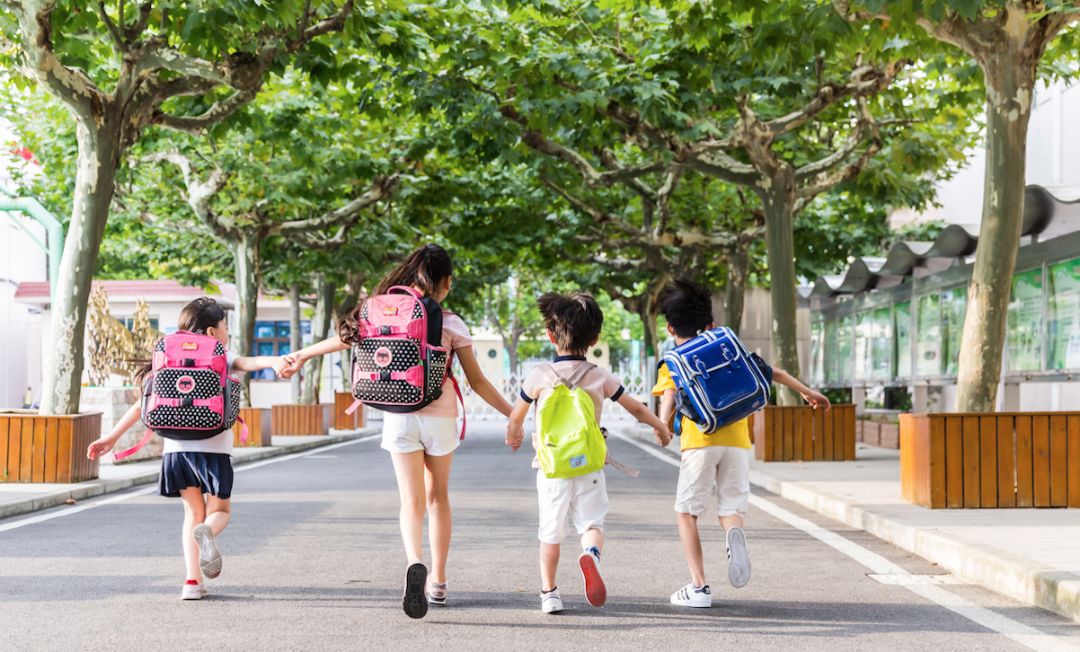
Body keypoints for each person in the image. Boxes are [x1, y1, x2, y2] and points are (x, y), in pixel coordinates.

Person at [279, 244, 513, 619]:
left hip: (399, 415)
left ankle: (413, 561)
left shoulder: (382, 313)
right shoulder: (452, 323)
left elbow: (343, 338)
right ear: (446, 282)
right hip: (439, 417)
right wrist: (514, 414)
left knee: (411, 501)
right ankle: (437, 580)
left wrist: (302, 355)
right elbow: (478, 382)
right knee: (438, 498)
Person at [86, 297, 288, 600]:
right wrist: (274, 361)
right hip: (215, 448)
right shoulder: (220, 353)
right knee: (218, 511)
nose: (227, 333)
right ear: (210, 331)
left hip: (176, 451)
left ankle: (192, 582)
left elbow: (143, 403)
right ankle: (209, 532)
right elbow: (250, 363)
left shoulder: (167, 356)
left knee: (192, 513)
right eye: (224, 327)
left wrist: (111, 438)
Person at [653, 280, 830, 608]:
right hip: (737, 440)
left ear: (669, 327)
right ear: (710, 324)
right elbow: (772, 372)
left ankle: (699, 587)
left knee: (686, 512)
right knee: (731, 507)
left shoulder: (674, 360)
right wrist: (808, 392)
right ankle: (734, 531)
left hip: (699, 442)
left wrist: (663, 428)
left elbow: (670, 396)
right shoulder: (724, 346)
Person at [506, 292, 673, 614]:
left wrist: (513, 436)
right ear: (594, 339)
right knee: (592, 525)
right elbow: (636, 408)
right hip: (590, 465)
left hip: (551, 467)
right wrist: (661, 427)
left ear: (550, 335)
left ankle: (549, 593)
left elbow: (517, 416)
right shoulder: (599, 375)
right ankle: (591, 555)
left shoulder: (539, 375)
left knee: (550, 534)